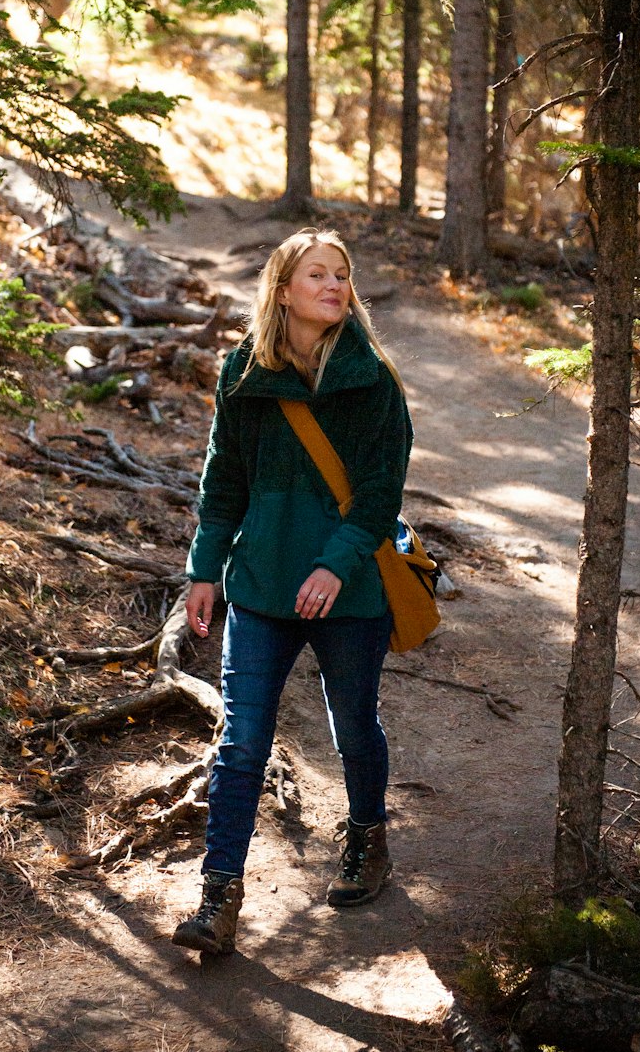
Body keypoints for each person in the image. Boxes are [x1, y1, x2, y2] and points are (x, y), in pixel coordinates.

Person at [172, 227, 412, 956]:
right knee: (241, 743)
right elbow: (224, 483)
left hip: (351, 591)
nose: (336, 286)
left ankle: (368, 839)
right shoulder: (244, 372)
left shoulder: (373, 378)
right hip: (262, 586)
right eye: (319, 274)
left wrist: (336, 563)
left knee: (353, 727)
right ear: (283, 290)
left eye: (343, 275)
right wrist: (204, 568)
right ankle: (218, 899)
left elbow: (379, 493)